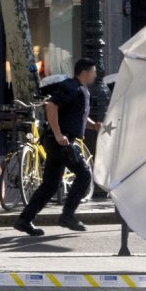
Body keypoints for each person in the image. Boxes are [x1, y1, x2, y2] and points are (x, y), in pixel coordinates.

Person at [14, 58, 101, 236]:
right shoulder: (71, 86)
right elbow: (51, 107)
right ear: (84, 72)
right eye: (93, 71)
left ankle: (24, 220)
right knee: (84, 174)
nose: (95, 75)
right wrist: (58, 134)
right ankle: (67, 215)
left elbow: (76, 114)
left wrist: (93, 125)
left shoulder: (82, 90)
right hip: (60, 142)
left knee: (51, 184)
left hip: (58, 142)